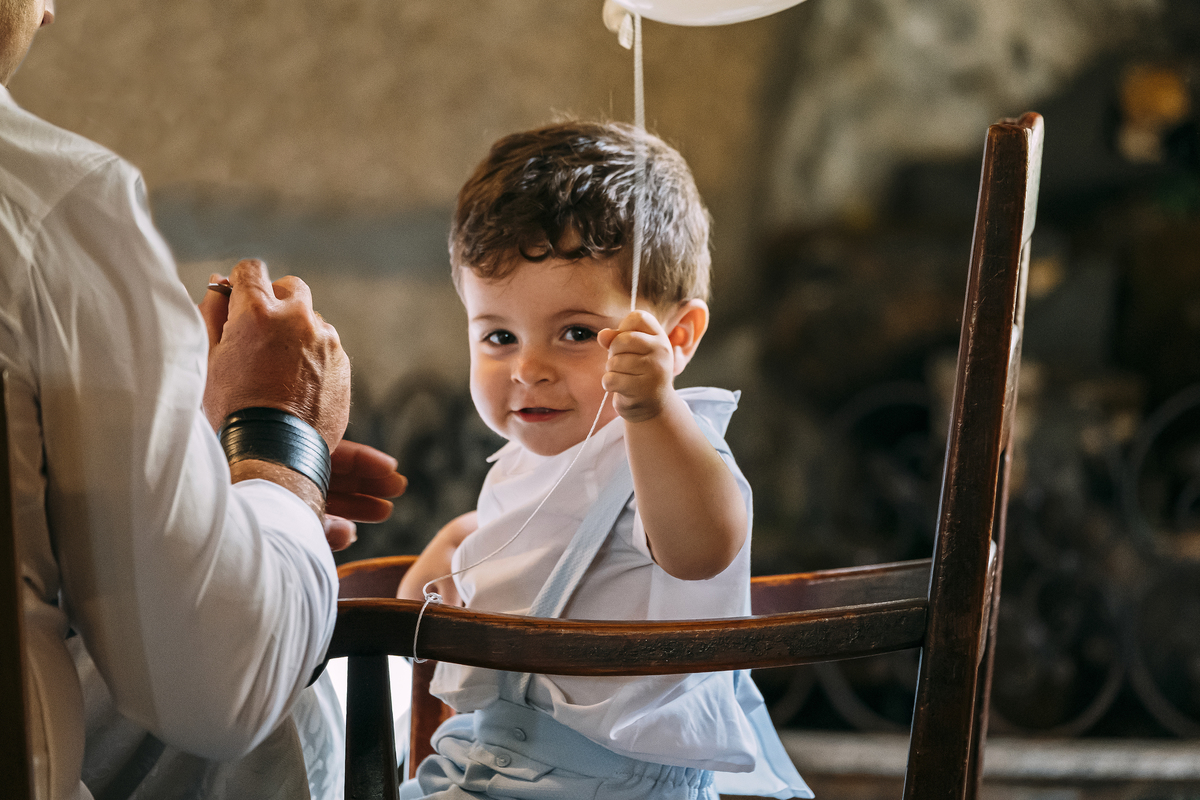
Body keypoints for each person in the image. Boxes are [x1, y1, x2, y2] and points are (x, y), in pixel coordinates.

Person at [0, 2, 406, 798]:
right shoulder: (47, 208)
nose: (51, 14)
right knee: (281, 677)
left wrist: (181, 472)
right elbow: (225, 683)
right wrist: (278, 441)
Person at [396, 120, 811, 800]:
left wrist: (653, 410)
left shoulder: (667, 443)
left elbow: (703, 548)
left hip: (614, 785)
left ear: (676, 337)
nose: (529, 367)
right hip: (486, 763)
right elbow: (454, 588)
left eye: (577, 333)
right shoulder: (529, 462)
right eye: (499, 335)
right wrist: (454, 555)